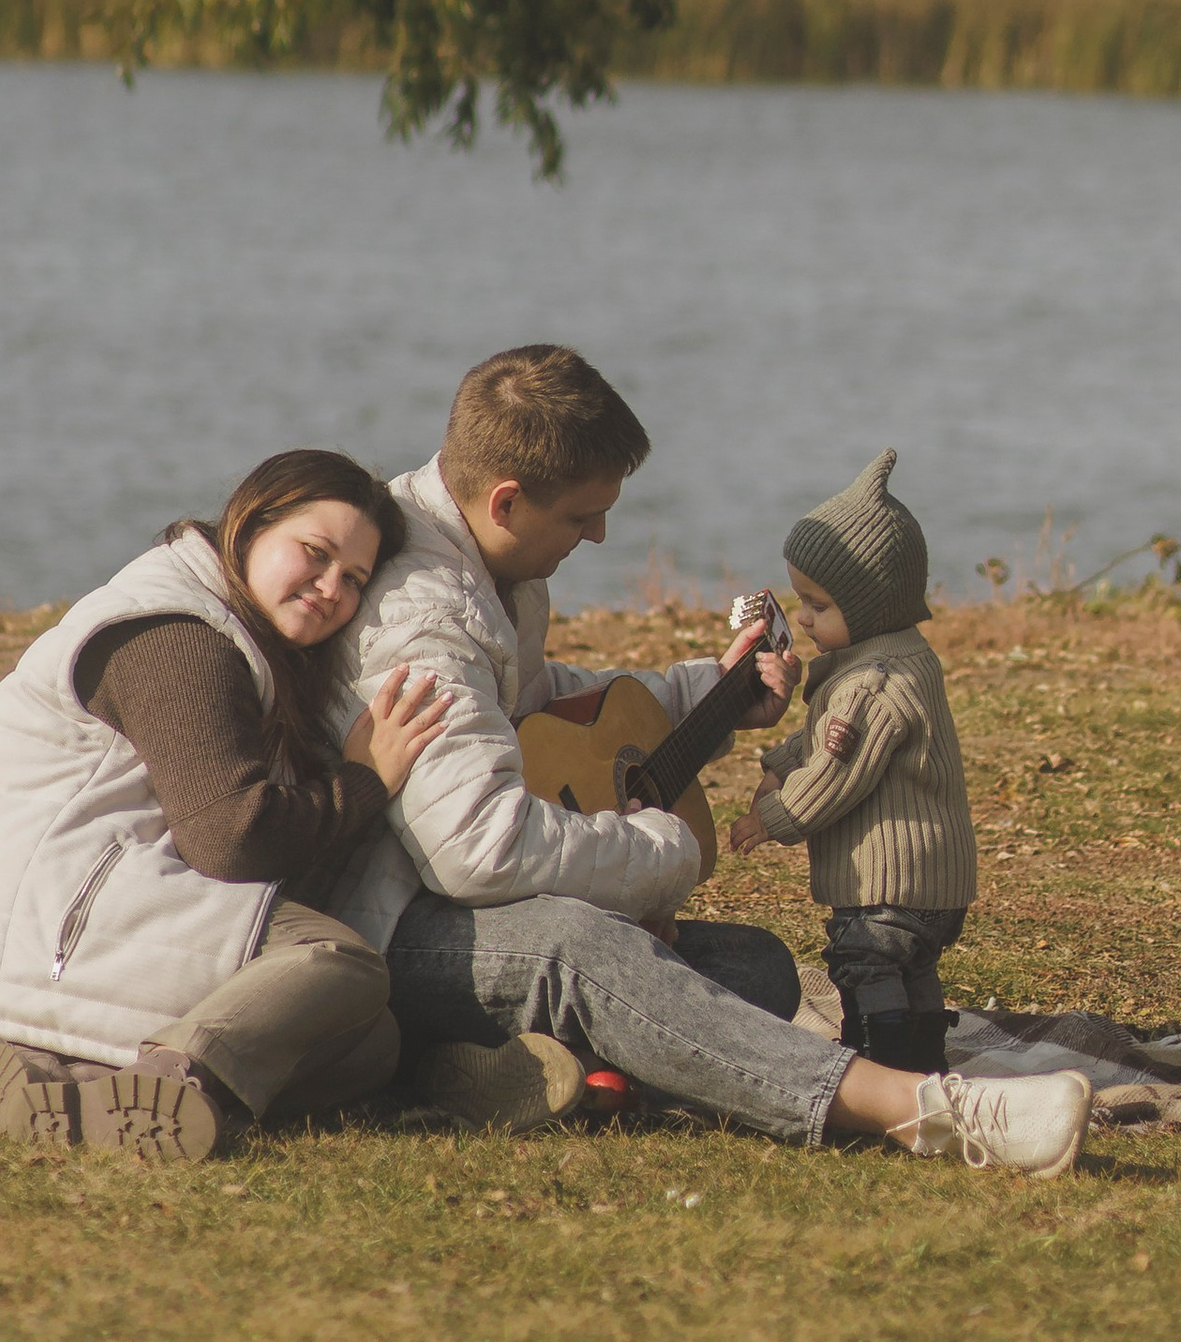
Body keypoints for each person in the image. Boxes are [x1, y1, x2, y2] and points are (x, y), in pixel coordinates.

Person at [338, 345, 1090, 1174]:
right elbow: (479, 849)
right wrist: (664, 853)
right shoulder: (424, 620)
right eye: (583, 516)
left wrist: (706, 696)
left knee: (759, 971)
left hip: (453, 903)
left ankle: (463, 1071)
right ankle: (923, 1109)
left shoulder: (493, 558)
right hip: (388, 930)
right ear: (508, 501)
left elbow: (526, 704)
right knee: (582, 947)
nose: (600, 533)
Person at [0, 448, 447, 1158]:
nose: (331, 586)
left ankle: (52, 1081)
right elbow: (232, 839)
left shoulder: (228, 632)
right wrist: (365, 781)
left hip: (70, 927)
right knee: (337, 961)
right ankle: (178, 1078)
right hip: (44, 929)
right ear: (248, 523)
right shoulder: (173, 633)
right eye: (315, 552)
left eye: (354, 578)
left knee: (369, 1043)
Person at [726, 447, 975, 1074]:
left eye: (818, 606)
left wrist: (775, 817)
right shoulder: (892, 659)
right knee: (910, 967)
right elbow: (825, 735)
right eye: (800, 601)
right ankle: (923, 1061)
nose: (803, 617)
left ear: (870, 606)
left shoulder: (873, 682)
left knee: (865, 960)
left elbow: (839, 773)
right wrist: (782, 757)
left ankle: (879, 1063)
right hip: (930, 881)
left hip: (889, 880)